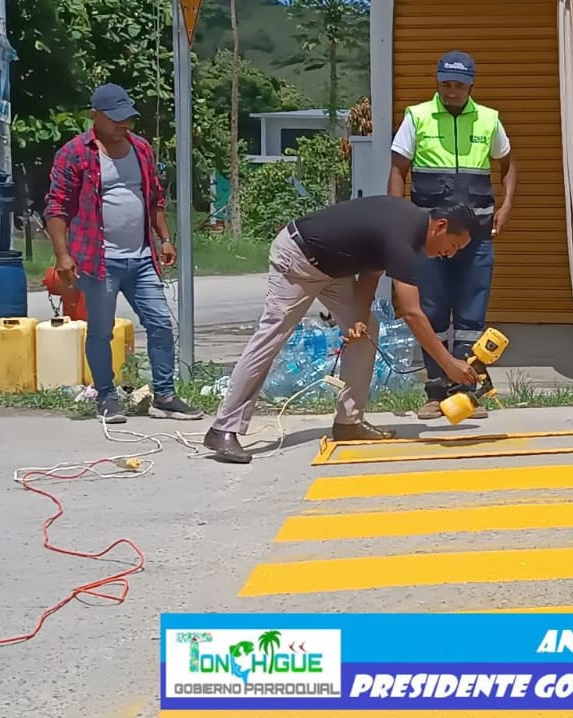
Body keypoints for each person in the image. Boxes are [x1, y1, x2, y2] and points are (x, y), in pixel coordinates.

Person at [202, 196, 481, 464]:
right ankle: (223, 429)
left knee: (367, 331)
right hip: (299, 258)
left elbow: (371, 271)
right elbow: (412, 313)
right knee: (272, 338)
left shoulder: (407, 228)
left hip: (333, 271)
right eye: (454, 245)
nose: (450, 254)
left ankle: (349, 422)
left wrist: (358, 318)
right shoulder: (403, 237)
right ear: (441, 225)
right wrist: (448, 363)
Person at [44, 84, 203, 424]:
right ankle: (106, 396)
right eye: (115, 119)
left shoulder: (141, 149)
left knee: (160, 323)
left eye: (127, 119)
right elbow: (56, 207)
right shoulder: (75, 153)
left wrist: (164, 238)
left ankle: (165, 396)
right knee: (101, 330)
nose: (123, 125)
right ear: (95, 116)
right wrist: (63, 255)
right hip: (98, 260)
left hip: (142, 257)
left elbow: (154, 198)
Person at [388, 50, 519, 420]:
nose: (451, 90)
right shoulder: (417, 116)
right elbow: (397, 170)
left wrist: (507, 206)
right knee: (430, 310)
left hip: (477, 237)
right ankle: (435, 393)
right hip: (429, 237)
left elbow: (508, 163)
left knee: (471, 316)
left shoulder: (489, 119)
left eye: (459, 85)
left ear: (470, 85)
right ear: (437, 82)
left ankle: (465, 393)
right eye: (445, 83)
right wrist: (396, 220)